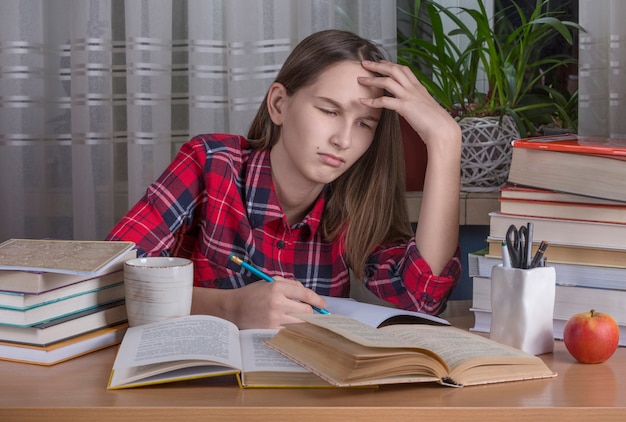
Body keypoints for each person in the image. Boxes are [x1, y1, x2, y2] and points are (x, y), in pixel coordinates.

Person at [106, 29, 462, 329]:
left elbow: (422, 298)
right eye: (328, 110)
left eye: (364, 124)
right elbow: (112, 283)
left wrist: (446, 141)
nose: (344, 139)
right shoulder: (210, 163)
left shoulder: (354, 201)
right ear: (279, 104)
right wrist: (232, 308)